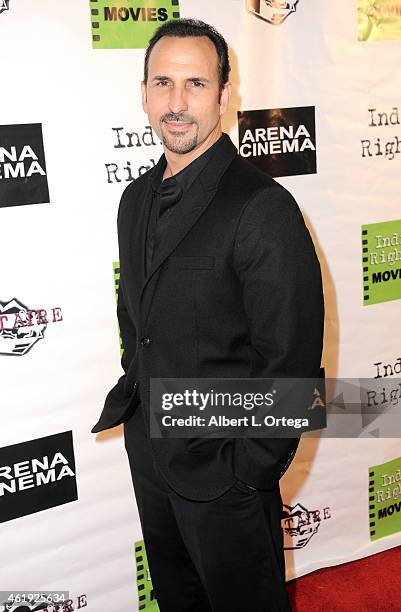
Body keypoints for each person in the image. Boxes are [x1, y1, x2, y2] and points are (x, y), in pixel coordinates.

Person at [92, 18, 324, 612]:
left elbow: (291, 363)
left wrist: (248, 470)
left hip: (226, 469)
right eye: (163, 83)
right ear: (143, 93)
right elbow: (136, 319)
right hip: (151, 451)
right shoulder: (134, 199)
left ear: (224, 95)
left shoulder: (261, 207)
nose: (176, 102)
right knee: (179, 600)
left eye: (195, 84)